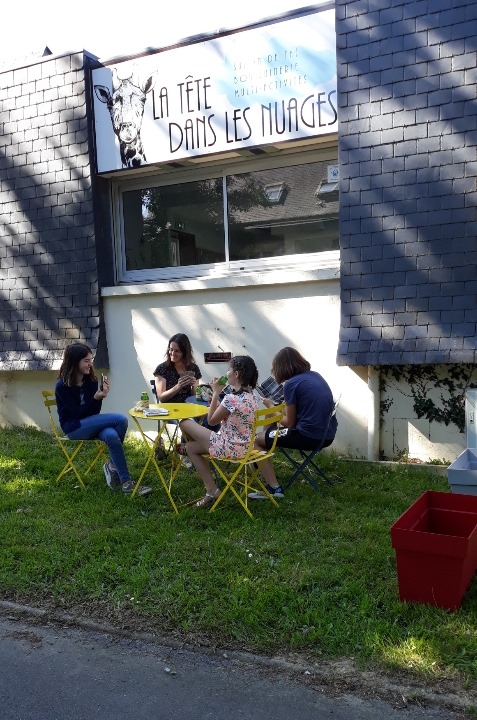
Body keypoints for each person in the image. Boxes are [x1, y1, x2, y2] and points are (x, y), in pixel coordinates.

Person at [55, 343, 152, 496]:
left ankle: (125, 482)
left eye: (90, 360)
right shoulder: (62, 386)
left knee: (112, 436)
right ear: (75, 362)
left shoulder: (91, 381)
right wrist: (95, 397)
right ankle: (114, 468)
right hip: (73, 427)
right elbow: (76, 414)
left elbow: (94, 412)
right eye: (86, 361)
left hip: (90, 423)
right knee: (121, 419)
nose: (90, 364)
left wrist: (99, 397)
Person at [249, 346, 337, 500]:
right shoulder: (314, 376)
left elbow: (289, 423)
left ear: (281, 367)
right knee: (269, 423)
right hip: (326, 434)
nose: (273, 371)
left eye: (274, 368)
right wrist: (275, 409)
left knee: (256, 441)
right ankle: (265, 452)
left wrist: (270, 406)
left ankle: (274, 489)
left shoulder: (291, 384)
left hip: (308, 436)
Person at [179, 355, 259, 509]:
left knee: (184, 422)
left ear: (236, 374)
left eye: (229, 369)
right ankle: (212, 491)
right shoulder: (252, 397)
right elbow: (223, 414)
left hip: (228, 447)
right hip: (246, 447)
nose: (226, 373)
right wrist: (214, 401)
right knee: (191, 448)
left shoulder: (231, 398)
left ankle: (187, 444)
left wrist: (215, 392)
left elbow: (211, 421)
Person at [153, 333, 202, 403]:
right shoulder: (162, 369)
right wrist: (178, 386)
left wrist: (194, 386)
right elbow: (161, 398)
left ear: (185, 352)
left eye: (177, 351)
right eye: (171, 349)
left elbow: (195, 397)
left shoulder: (193, 368)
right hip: (169, 409)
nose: (172, 353)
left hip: (188, 408)